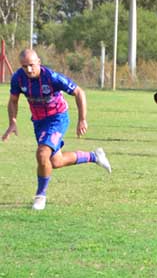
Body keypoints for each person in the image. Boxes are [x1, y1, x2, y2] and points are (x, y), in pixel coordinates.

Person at [1, 49, 112, 210]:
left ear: (38, 62)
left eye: (31, 65)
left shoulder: (52, 77)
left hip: (57, 118)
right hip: (39, 122)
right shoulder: (18, 78)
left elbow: (79, 92)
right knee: (55, 162)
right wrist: (12, 121)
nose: (29, 70)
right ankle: (94, 156)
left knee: (42, 154)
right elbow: (13, 101)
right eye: (25, 66)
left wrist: (82, 119)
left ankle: (40, 196)